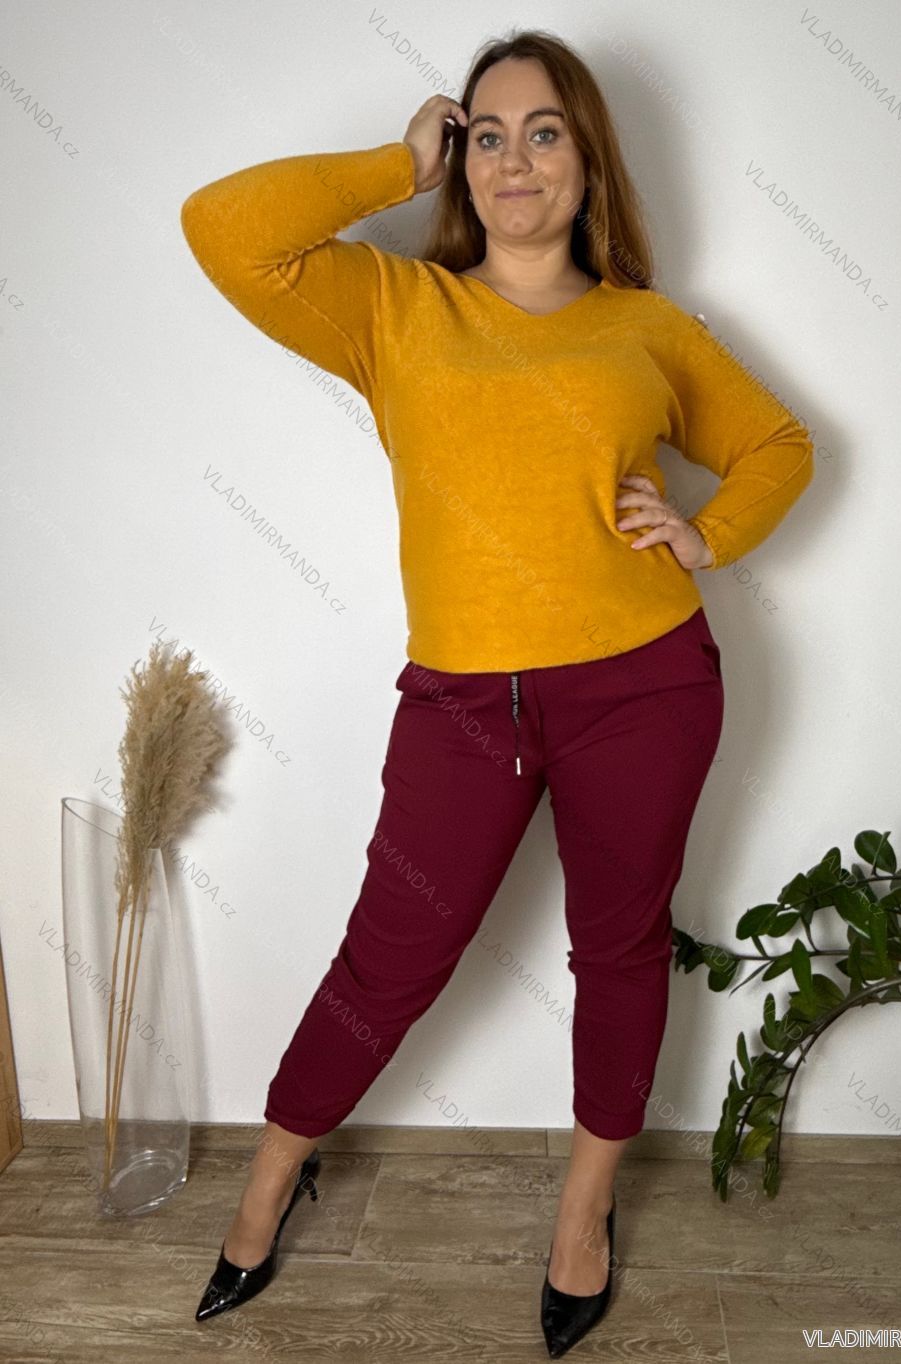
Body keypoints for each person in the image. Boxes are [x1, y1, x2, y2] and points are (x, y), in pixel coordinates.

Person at [179, 28, 813, 1358]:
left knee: (619, 949)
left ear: (589, 159)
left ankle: (584, 1215)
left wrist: (707, 535)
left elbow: (779, 442)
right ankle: (270, 1183)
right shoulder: (396, 307)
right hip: (465, 705)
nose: (514, 159)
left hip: (645, 687)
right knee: (390, 957)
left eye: (544, 132)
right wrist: (393, 162)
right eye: (486, 134)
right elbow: (223, 230)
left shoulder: (647, 326)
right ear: (458, 160)